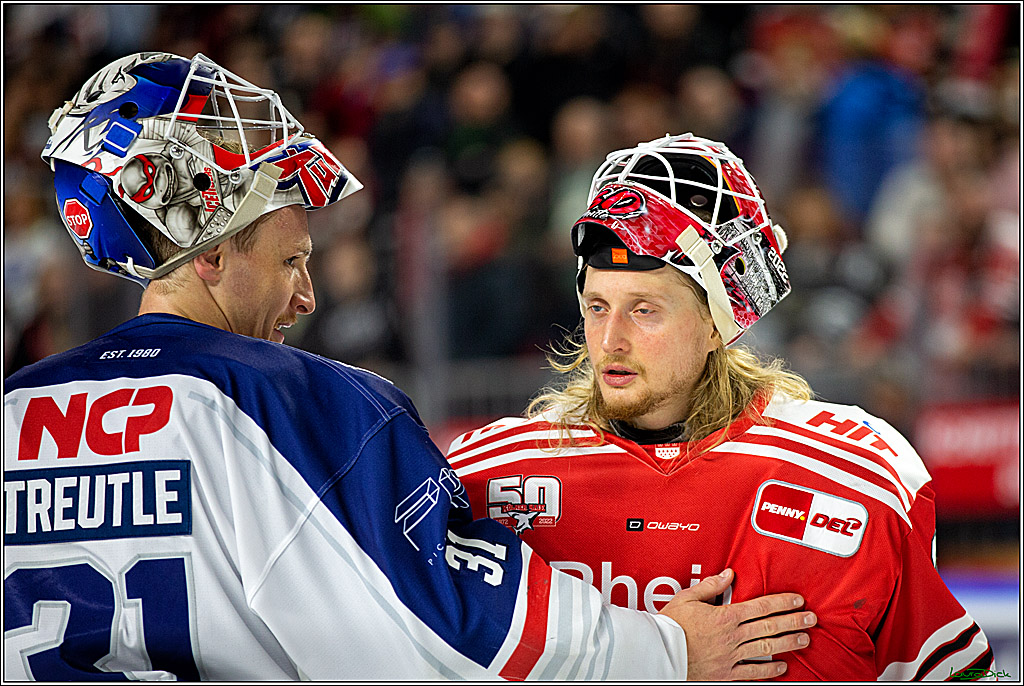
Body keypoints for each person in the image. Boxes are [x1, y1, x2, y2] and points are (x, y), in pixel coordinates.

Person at [3, 53, 814, 681]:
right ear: (211, 255)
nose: (307, 296)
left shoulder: (13, 411)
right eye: (291, 261)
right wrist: (667, 652)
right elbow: (454, 634)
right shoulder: (300, 403)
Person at [449, 134, 995, 680]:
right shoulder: (483, 479)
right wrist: (661, 658)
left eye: (644, 310)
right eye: (596, 306)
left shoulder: (859, 479)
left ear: (717, 323)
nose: (610, 339)